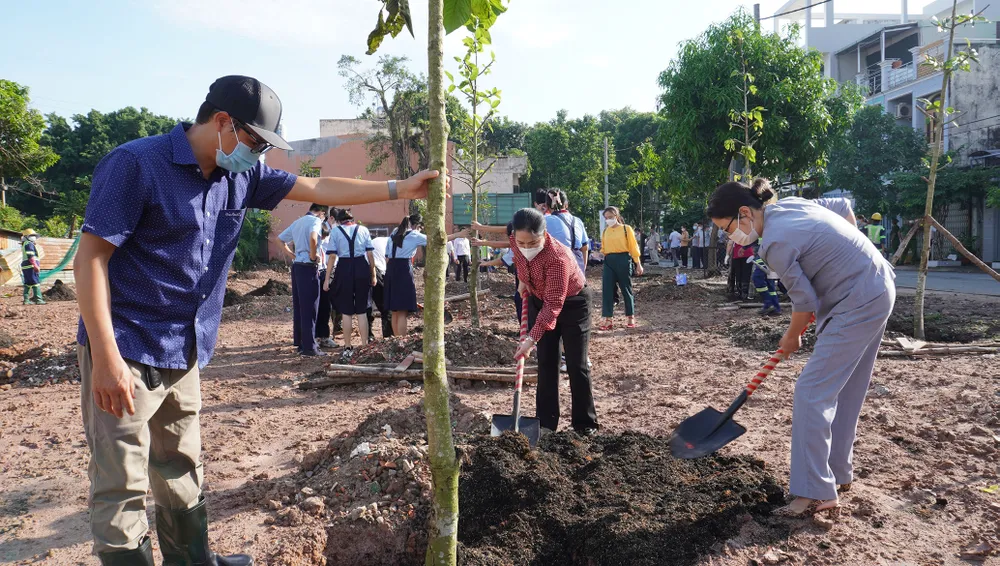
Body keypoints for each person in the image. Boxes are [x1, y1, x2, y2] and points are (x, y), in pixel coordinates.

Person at [73, 75, 440, 566]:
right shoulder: (136, 164)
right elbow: (91, 259)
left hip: (185, 348)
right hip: (127, 346)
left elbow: (318, 185)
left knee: (181, 466)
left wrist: (399, 187)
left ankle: (194, 561)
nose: (258, 154)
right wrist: (105, 357)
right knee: (121, 484)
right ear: (223, 122)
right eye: (256, 141)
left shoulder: (239, 175)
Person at [708, 178, 895, 517]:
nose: (729, 236)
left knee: (811, 391)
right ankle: (837, 473)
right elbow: (844, 208)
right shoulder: (792, 204)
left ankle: (815, 492)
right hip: (878, 285)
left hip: (856, 301)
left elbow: (804, 302)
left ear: (745, 213)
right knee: (846, 389)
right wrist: (852, 257)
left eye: (728, 228)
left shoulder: (774, 242)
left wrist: (792, 336)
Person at [509, 208, 599, 436]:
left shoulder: (557, 257)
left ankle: (585, 424)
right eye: (522, 242)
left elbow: (554, 306)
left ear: (544, 234)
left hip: (573, 304)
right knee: (546, 364)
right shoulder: (515, 240)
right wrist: (523, 280)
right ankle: (546, 424)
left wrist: (530, 339)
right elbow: (520, 260)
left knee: (576, 364)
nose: (526, 248)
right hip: (540, 299)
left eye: (532, 243)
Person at [385, 214, 465, 336]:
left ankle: (395, 339)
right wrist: (458, 235)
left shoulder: (395, 232)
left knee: (395, 310)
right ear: (417, 226)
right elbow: (436, 240)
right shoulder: (414, 234)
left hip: (390, 268)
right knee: (402, 311)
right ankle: (401, 339)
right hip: (403, 269)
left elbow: (387, 255)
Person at [277, 203, 327, 356]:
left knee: (299, 307)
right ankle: (310, 347)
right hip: (308, 267)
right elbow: (313, 238)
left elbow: (279, 240)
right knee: (310, 307)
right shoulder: (316, 221)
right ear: (322, 213)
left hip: (297, 266)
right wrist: (313, 256)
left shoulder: (298, 222)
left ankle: (301, 343)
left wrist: (293, 255)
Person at [323, 209, 375, 348]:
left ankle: (347, 345)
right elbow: (370, 254)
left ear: (339, 221)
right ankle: (364, 344)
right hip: (361, 266)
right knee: (362, 309)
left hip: (344, 267)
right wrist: (373, 274)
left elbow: (332, 256)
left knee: (346, 311)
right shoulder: (363, 229)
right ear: (352, 219)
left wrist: (327, 279)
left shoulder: (335, 231)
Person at [600, 207, 643, 331]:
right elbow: (603, 248)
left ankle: (630, 316)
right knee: (607, 290)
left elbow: (633, 247)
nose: (608, 220)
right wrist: (599, 253)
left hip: (623, 259)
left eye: (610, 217)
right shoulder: (605, 231)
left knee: (626, 288)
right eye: (606, 218)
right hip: (608, 261)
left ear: (616, 216)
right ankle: (608, 319)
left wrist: (638, 263)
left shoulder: (626, 229)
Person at [541, 189, 589, 276]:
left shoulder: (545, 221)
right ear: (566, 205)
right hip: (577, 264)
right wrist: (583, 268)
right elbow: (585, 247)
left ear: (547, 206)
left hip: (557, 264)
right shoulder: (577, 220)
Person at [369, 233, 391, 339]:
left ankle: (369, 336)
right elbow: (388, 267)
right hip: (376, 271)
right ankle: (388, 336)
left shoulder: (380, 240)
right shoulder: (392, 244)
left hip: (364, 269)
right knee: (386, 307)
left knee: (368, 305)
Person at [20, 229, 45, 305]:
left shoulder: (25, 244)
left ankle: (26, 300)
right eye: (31, 235)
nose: (33, 237)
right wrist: (35, 265)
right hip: (30, 266)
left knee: (27, 283)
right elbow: (30, 256)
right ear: (26, 237)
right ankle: (38, 299)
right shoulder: (29, 244)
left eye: (34, 236)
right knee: (35, 282)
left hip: (26, 266)